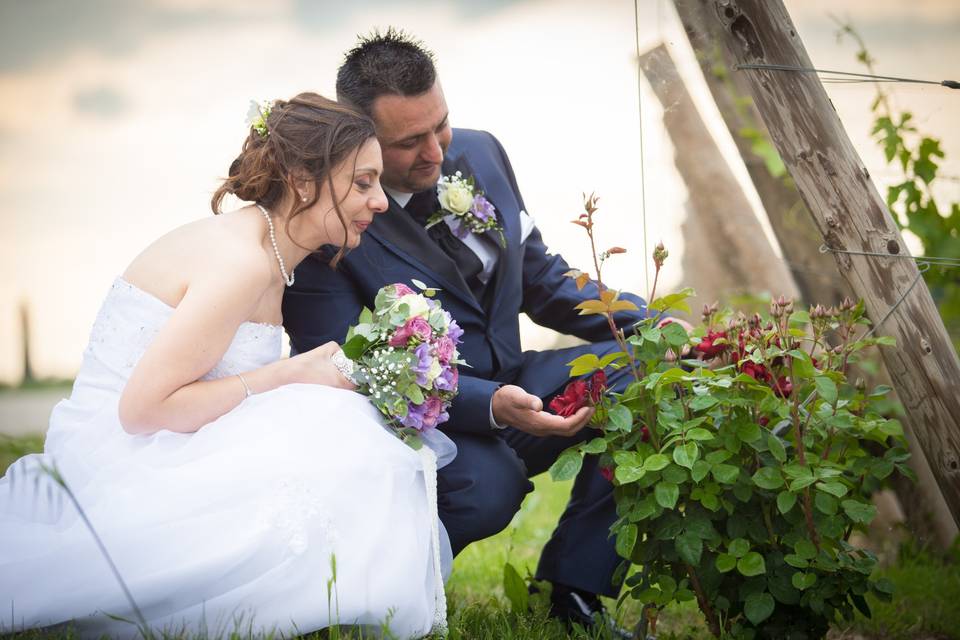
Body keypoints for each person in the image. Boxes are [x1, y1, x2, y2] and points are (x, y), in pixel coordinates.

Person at [0, 93, 453, 639]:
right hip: (118, 455)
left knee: (333, 418)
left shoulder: (272, 255)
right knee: (338, 426)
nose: (380, 201)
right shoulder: (240, 262)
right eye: (362, 183)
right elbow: (142, 411)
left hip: (163, 435)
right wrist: (289, 373)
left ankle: (318, 598)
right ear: (302, 180)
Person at [282, 31, 649, 634]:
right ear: (359, 134)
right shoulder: (328, 222)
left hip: (514, 379)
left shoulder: (480, 153)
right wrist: (490, 405)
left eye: (440, 125)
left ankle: (574, 593)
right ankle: (365, 586)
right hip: (418, 423)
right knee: (489, 489)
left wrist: (650, 322)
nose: (435, 152)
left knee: (641, 373)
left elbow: (543, 280)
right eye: (409, 142)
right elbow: (351, 363)